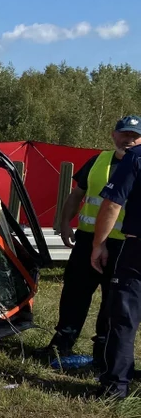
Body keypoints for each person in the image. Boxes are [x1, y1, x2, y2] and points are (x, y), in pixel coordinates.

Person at [37, 117, 141, 365]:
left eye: (134, 136)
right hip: (88, 240)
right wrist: (64, 222)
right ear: (113, 135)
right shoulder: (98, 161)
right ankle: (62, 343)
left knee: (113, 302)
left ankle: (103, 353)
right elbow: (77, 194)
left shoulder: (137, 164)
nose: (129, 140)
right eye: (124, 134)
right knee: (74, 293)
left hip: (123, 245)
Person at [91, 115, 141, 399]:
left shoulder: (134, 159)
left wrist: (99, 245)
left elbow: (112, 205)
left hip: (137, 250)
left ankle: (115, 387)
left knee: (124, 317)